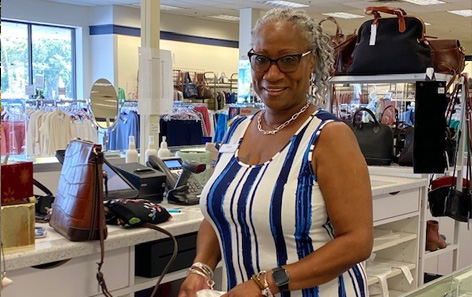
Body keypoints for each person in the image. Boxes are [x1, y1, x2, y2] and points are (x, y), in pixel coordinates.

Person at [178, 7, 373, 297]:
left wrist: (266, 284)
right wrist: (201, 268)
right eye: (261, 60)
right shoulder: (237, 129)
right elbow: (220, 209)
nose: (272, 73)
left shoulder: (328, 136)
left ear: (312, 64)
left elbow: (357, 242)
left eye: (288, 60)